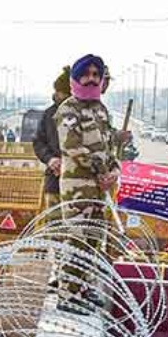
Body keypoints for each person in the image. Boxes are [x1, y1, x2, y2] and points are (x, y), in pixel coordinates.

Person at [55, 53, 131, 314]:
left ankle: (83, 289)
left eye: (96, 75)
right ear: (76, 79)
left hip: (100, 186)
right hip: (78, 185)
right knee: (77, 239)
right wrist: (100, 170)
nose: (91, 79)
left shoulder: (100, 110)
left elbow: (109, 147)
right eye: (85, 74)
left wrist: (114, 170)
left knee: (94, 240)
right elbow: (71, 147)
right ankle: (67, 295)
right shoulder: (68, 109)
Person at [33, 67, 70, 211]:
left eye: (60, 91)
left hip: (81, 187)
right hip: (54, 183)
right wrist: (50, 159)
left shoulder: (88, 114)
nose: (55, 95)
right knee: (53, 225)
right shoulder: (49, 114)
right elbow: (38, 142)